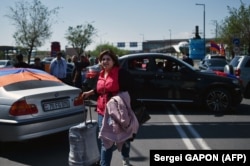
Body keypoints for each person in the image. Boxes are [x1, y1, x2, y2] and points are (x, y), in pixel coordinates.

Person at [81, 50, 134, 166]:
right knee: (105, 140)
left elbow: (131, 89)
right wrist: (89, 92)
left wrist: (127, 105)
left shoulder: (121, 73)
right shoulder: (101, 73)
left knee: (123, 137)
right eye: (103, 59)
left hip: (118, 112)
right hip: (102, 111)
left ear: (114, 61)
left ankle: (125, 158)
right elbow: (100, 89)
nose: (105, 61)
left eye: (108, 59)